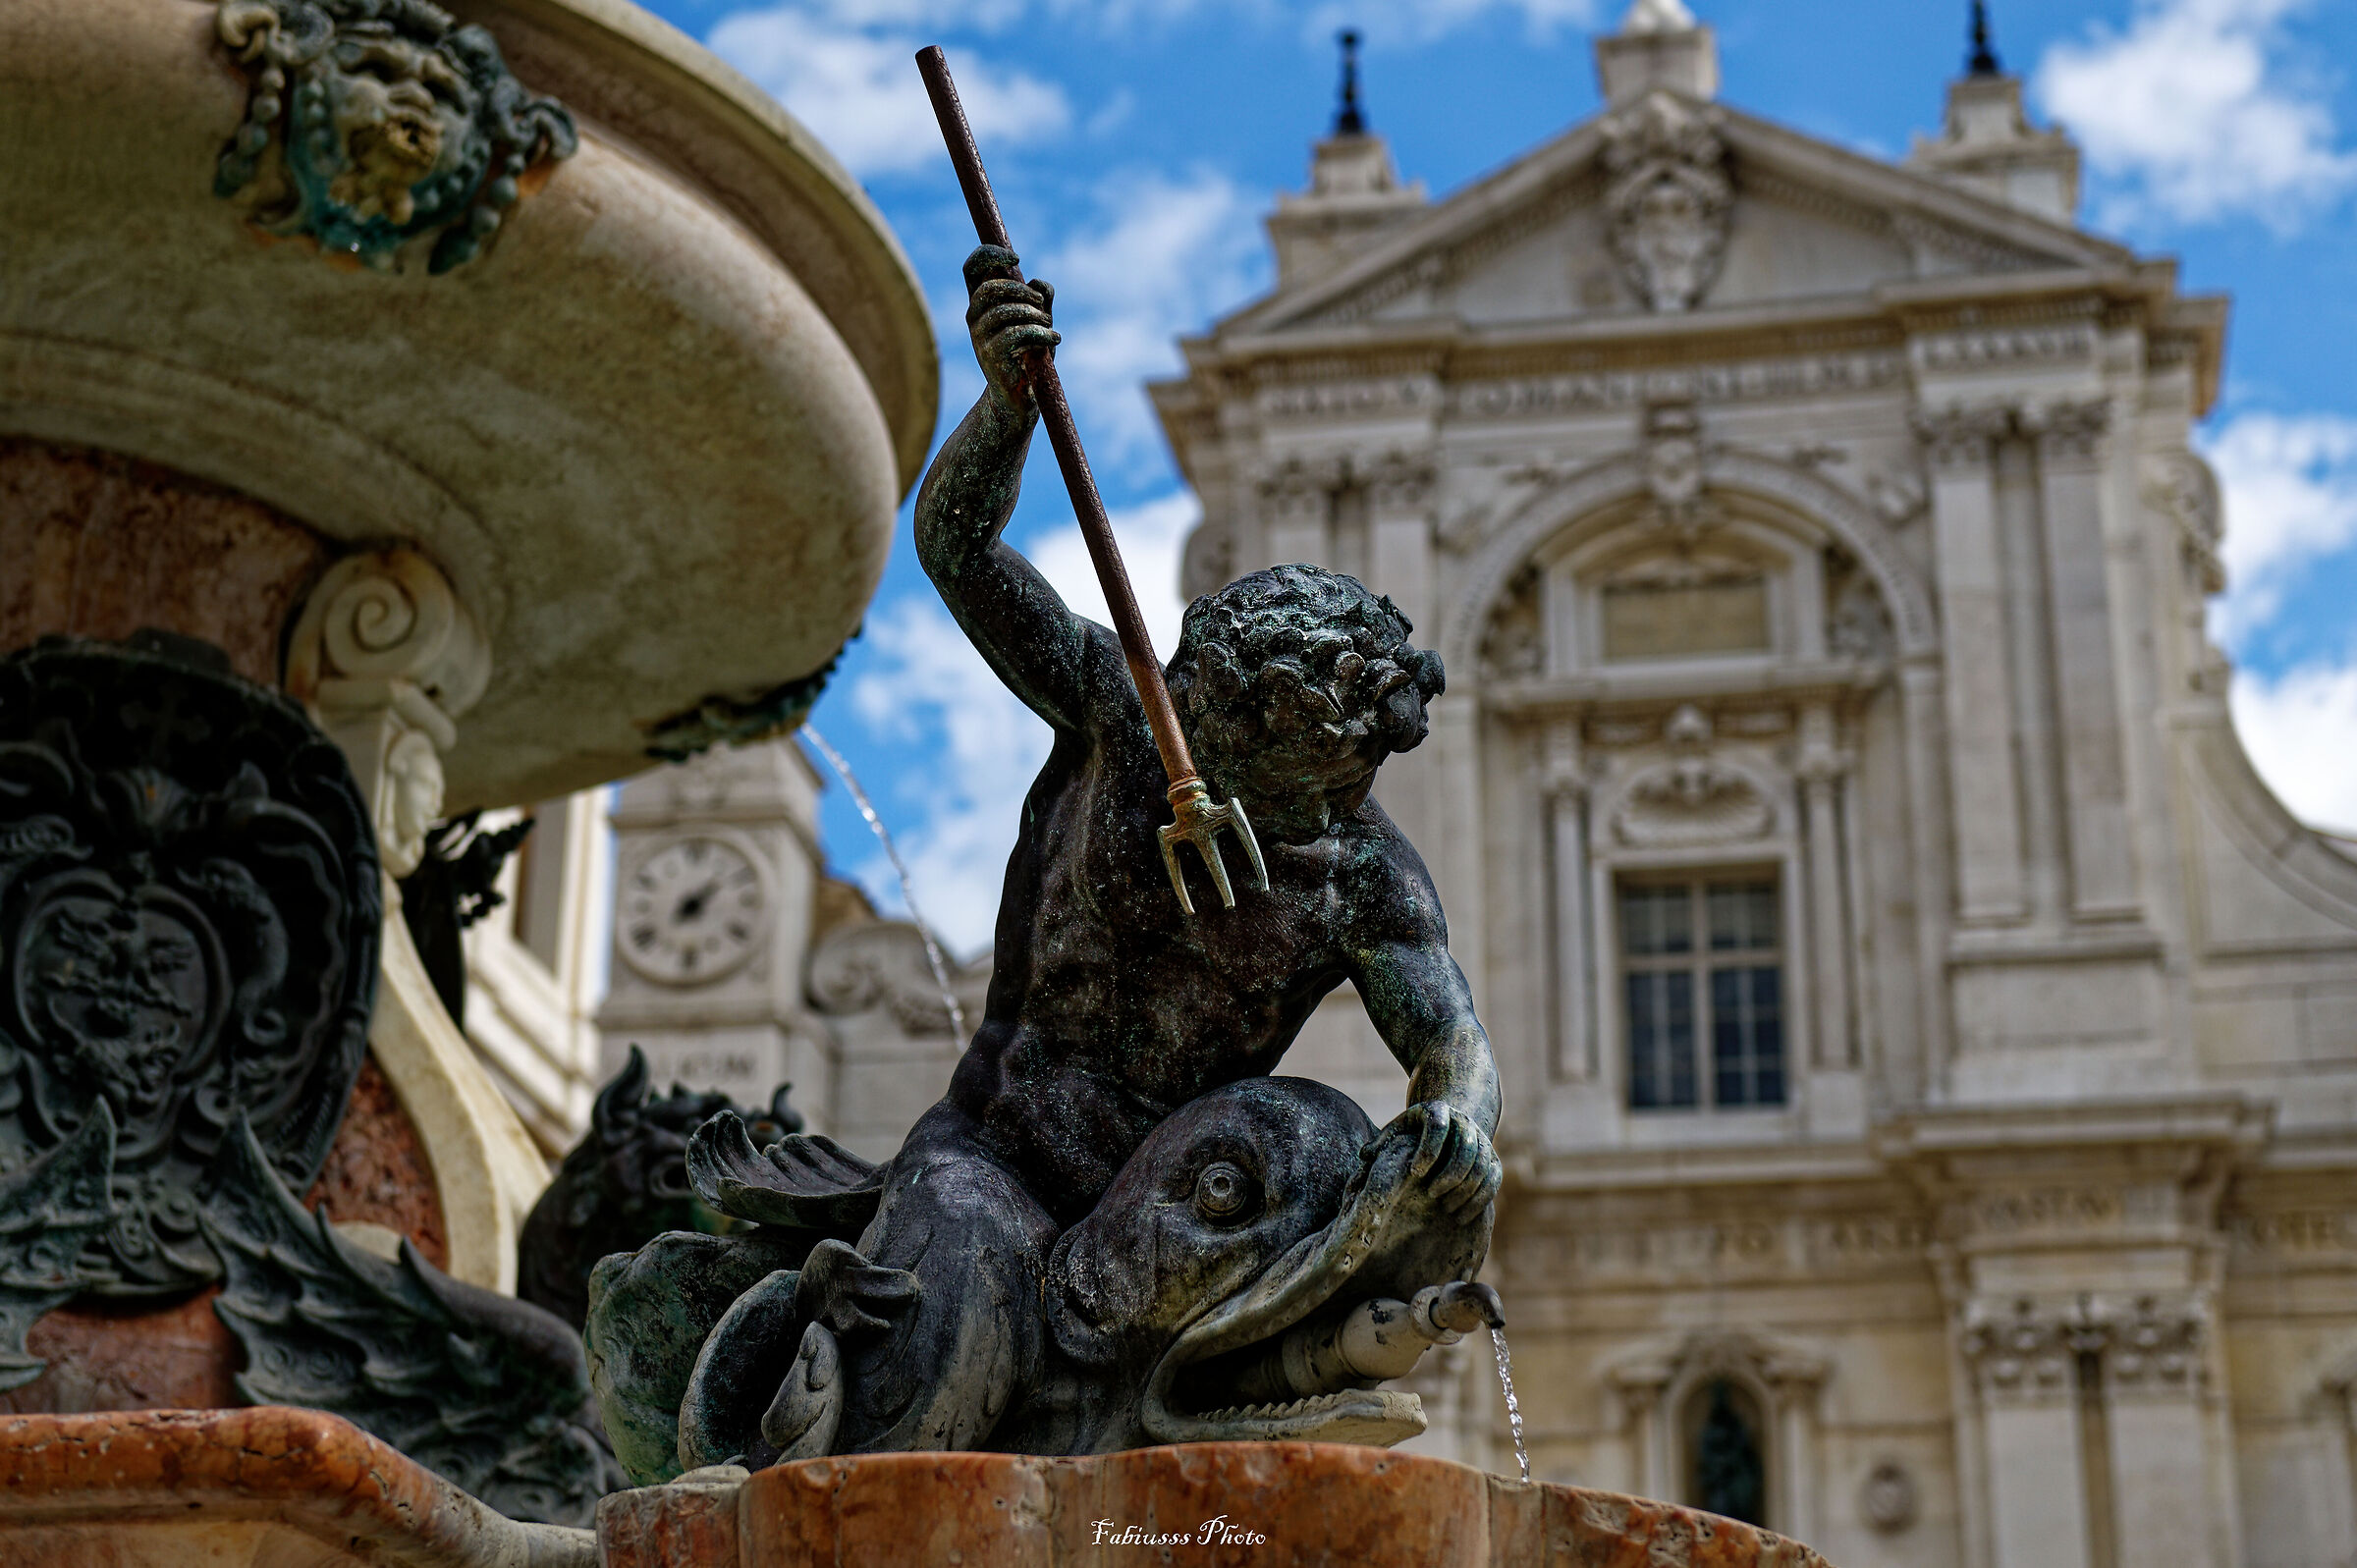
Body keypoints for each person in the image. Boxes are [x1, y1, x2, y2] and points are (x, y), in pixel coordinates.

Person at [798, 244, 1502, 1453]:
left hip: (1190, 1206)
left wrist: (1455, 1123)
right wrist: (1005, 410)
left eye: (1262, 773)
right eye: (1202, 729)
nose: (1205, 762)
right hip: (1002, 1157)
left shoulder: (1361, 877)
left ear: (1328, 769)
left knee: (1326, 1135)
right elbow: (958, 552)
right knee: (945, 1372)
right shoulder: (1126, 715)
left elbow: (1453, 1046)